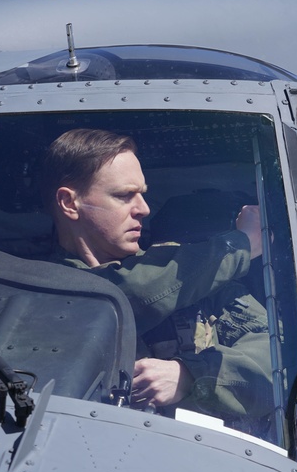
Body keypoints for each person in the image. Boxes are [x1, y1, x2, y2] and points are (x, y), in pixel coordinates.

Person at [43, 128, 273, 433]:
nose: (143, 209)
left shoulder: (197, 277)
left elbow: (277, 360)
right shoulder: (35, 293)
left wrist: (190, 376)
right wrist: (239, 246)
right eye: (125, 196)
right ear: (70, 203)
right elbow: (122, 291)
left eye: (142, 194)